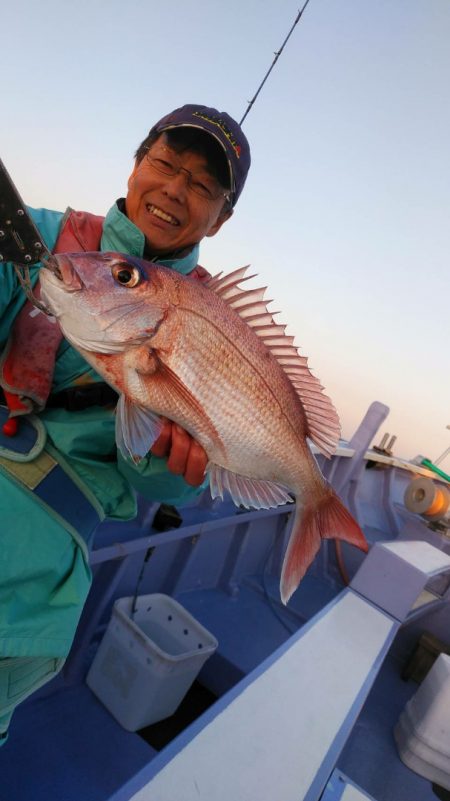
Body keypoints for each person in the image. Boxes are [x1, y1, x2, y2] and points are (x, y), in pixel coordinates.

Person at [0, 104, 251, 742]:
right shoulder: (39, 235)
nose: (174, 189)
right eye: (165, 164)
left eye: (202, 186)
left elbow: (174, 488)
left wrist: (170, 464)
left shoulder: (217, 323)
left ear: (220, 219)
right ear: (137, 164)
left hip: (39, 558)